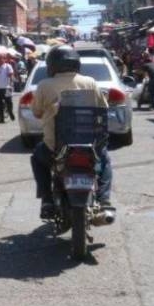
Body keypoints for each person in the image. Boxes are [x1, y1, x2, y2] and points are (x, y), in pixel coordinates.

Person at [29, 45, 113, 219]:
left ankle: (47, 200)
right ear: (76, 63)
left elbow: (36, 113)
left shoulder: (44, 85)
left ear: (52, 65)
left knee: (37, 158)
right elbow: (103, 109)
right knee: (105, 161)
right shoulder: (89, 82)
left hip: (55, 148)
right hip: (89, 145)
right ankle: (104, 201)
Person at [0, 55, 16, 123]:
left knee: (9, 102)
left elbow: (11, 75)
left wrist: (11, 85)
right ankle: (1, 119)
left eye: (0, 59)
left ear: (3, 59)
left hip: (7, 87)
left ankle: (10, 112)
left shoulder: (7, 66)